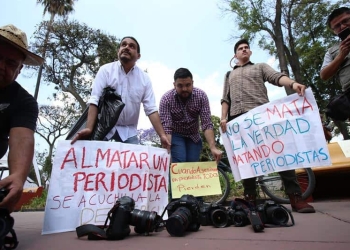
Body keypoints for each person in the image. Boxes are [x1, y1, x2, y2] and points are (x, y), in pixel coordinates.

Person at [220, 39, 315, 213]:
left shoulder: (260, 67)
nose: (244, 50)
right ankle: (250, 199)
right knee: (247, 159)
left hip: (261, 115)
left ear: (250, 52)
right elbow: (225, 98)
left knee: (279, 153)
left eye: (246, 48)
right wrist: (223, 118)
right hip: (238, 119)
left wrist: (293, 84)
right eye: (240, 49)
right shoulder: (229, 75)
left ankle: (295, 197)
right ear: (235, 55)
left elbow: (276, 77)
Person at [71, 36, 170, 151]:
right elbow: (94, 100)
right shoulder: (105, 71)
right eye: (123, 44)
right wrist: (89, 128)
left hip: (129, 132)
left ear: (138, 56)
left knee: (133, 166)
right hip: (103, 129)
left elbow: (151, 109)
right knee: (94, 161)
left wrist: (162, 135)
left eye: (132, 46)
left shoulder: (144, 79)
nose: (127, 47)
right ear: (118, 51)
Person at [0, 24, 44, 212]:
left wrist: (17, 177)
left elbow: (22, 139)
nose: (1, 66)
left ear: (19, 69)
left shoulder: (24, 102)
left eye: (10, 63)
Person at [159, 68, 222, 164]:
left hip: (194, 136)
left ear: (192, 83)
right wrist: (167, 151)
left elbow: (206, 123)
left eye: (188, 85)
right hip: (176, 135)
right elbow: (166, 127)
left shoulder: (201, 96)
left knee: (192, 167)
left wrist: (213, 147)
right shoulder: (166, 99)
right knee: (179, 164)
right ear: (174, 85)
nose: (184, 89)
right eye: (180, 86)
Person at [320, 7, 350, 140]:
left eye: (345, 21)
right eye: (337, 26)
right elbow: (324, 75)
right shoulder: (332, 51)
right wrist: (341, 55)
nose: (342, 27)